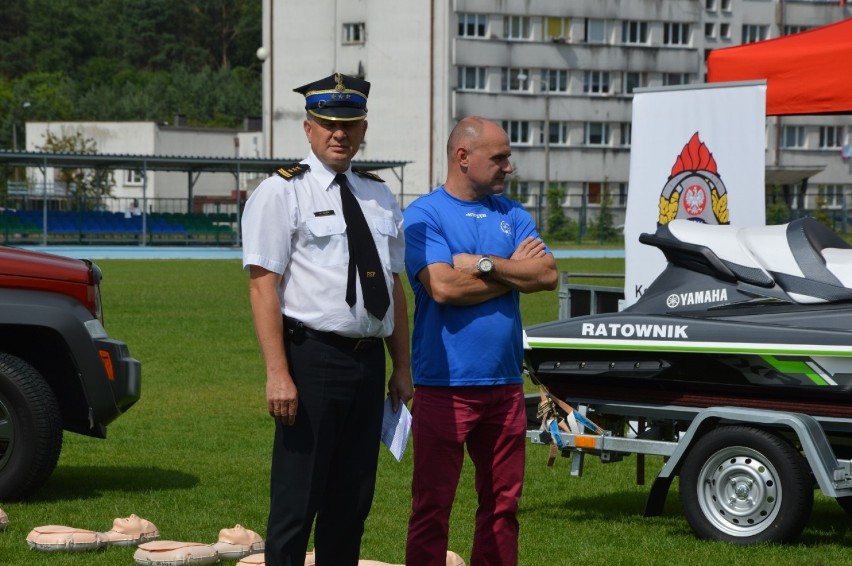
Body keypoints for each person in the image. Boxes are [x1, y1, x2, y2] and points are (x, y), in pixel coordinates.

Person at [241, 72, 413, 566]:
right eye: (327, 123)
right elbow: (261, 286)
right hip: (311, 359)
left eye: (350, 124)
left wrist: (400, 368)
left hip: (367, 366)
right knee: (298, 501)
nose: (340, 134)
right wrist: (278, 374)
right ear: (309, 129)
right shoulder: (281, 192)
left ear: (363, 129)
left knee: (352, 502)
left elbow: (394, 288)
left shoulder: (379, 195)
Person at [403, 116, 558, 566]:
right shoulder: (424, 214)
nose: (509, 167)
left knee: (503, 507)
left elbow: (547, 274)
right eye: (500, 157)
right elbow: (444, 288)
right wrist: (514, 272)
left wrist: (485, 265)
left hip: (505, 386)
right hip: (444, 385)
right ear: (463, 157)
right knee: (433, 507)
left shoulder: (513, 213)